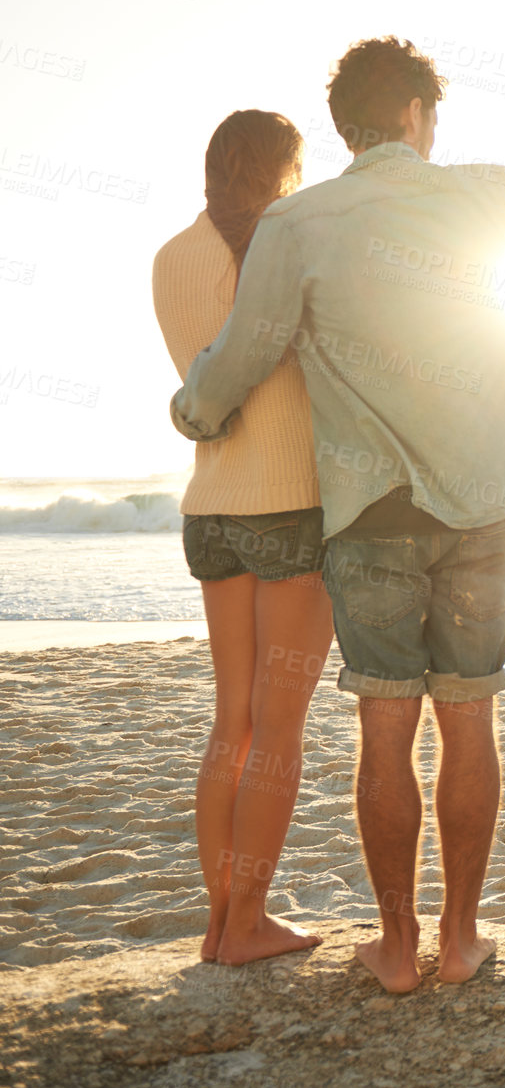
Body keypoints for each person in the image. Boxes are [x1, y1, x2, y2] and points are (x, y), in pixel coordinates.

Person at [170, 37, 505, 992]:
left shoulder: (297, 223)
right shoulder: (476, 193)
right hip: (481, 506)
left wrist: (193, 412)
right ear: (415, 115)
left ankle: (397, 948)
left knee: (385, 730)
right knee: (470, 722)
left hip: (369, 513)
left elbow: (245, 352)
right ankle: (460, 939)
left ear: (348, 125)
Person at [153, 110, 335, 966]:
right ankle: (249, 924)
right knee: (279, 726)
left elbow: (201, 379)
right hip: (291, 503)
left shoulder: (169, 256)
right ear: (285, 169)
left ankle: (221, 919)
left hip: (211, 507)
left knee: (232, 721)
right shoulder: (288, 244)